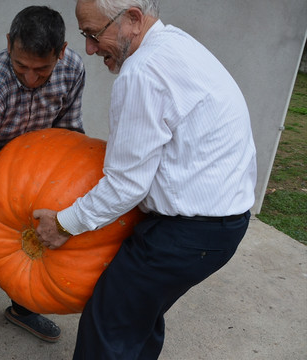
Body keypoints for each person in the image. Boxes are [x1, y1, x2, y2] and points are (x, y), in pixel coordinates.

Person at [33, 0, 257, 359]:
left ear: (133, 19)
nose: (89, 48)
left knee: (107, 323)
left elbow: (126, 185)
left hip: (189, 232)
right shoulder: (176, 45)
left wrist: (64, 224)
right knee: (137, 314)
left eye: (94, 34)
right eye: (85, 36)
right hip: (220, 226)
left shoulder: (142, 71)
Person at [0, 5, 86, 359]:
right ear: (9, 43)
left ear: (61, 52)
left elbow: (68, 129)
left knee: (36, 230)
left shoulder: (73, 68)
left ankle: (23, 307)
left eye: (42, 69)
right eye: (22, 66)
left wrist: (71, 182)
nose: (32, 78)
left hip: (34, 157)